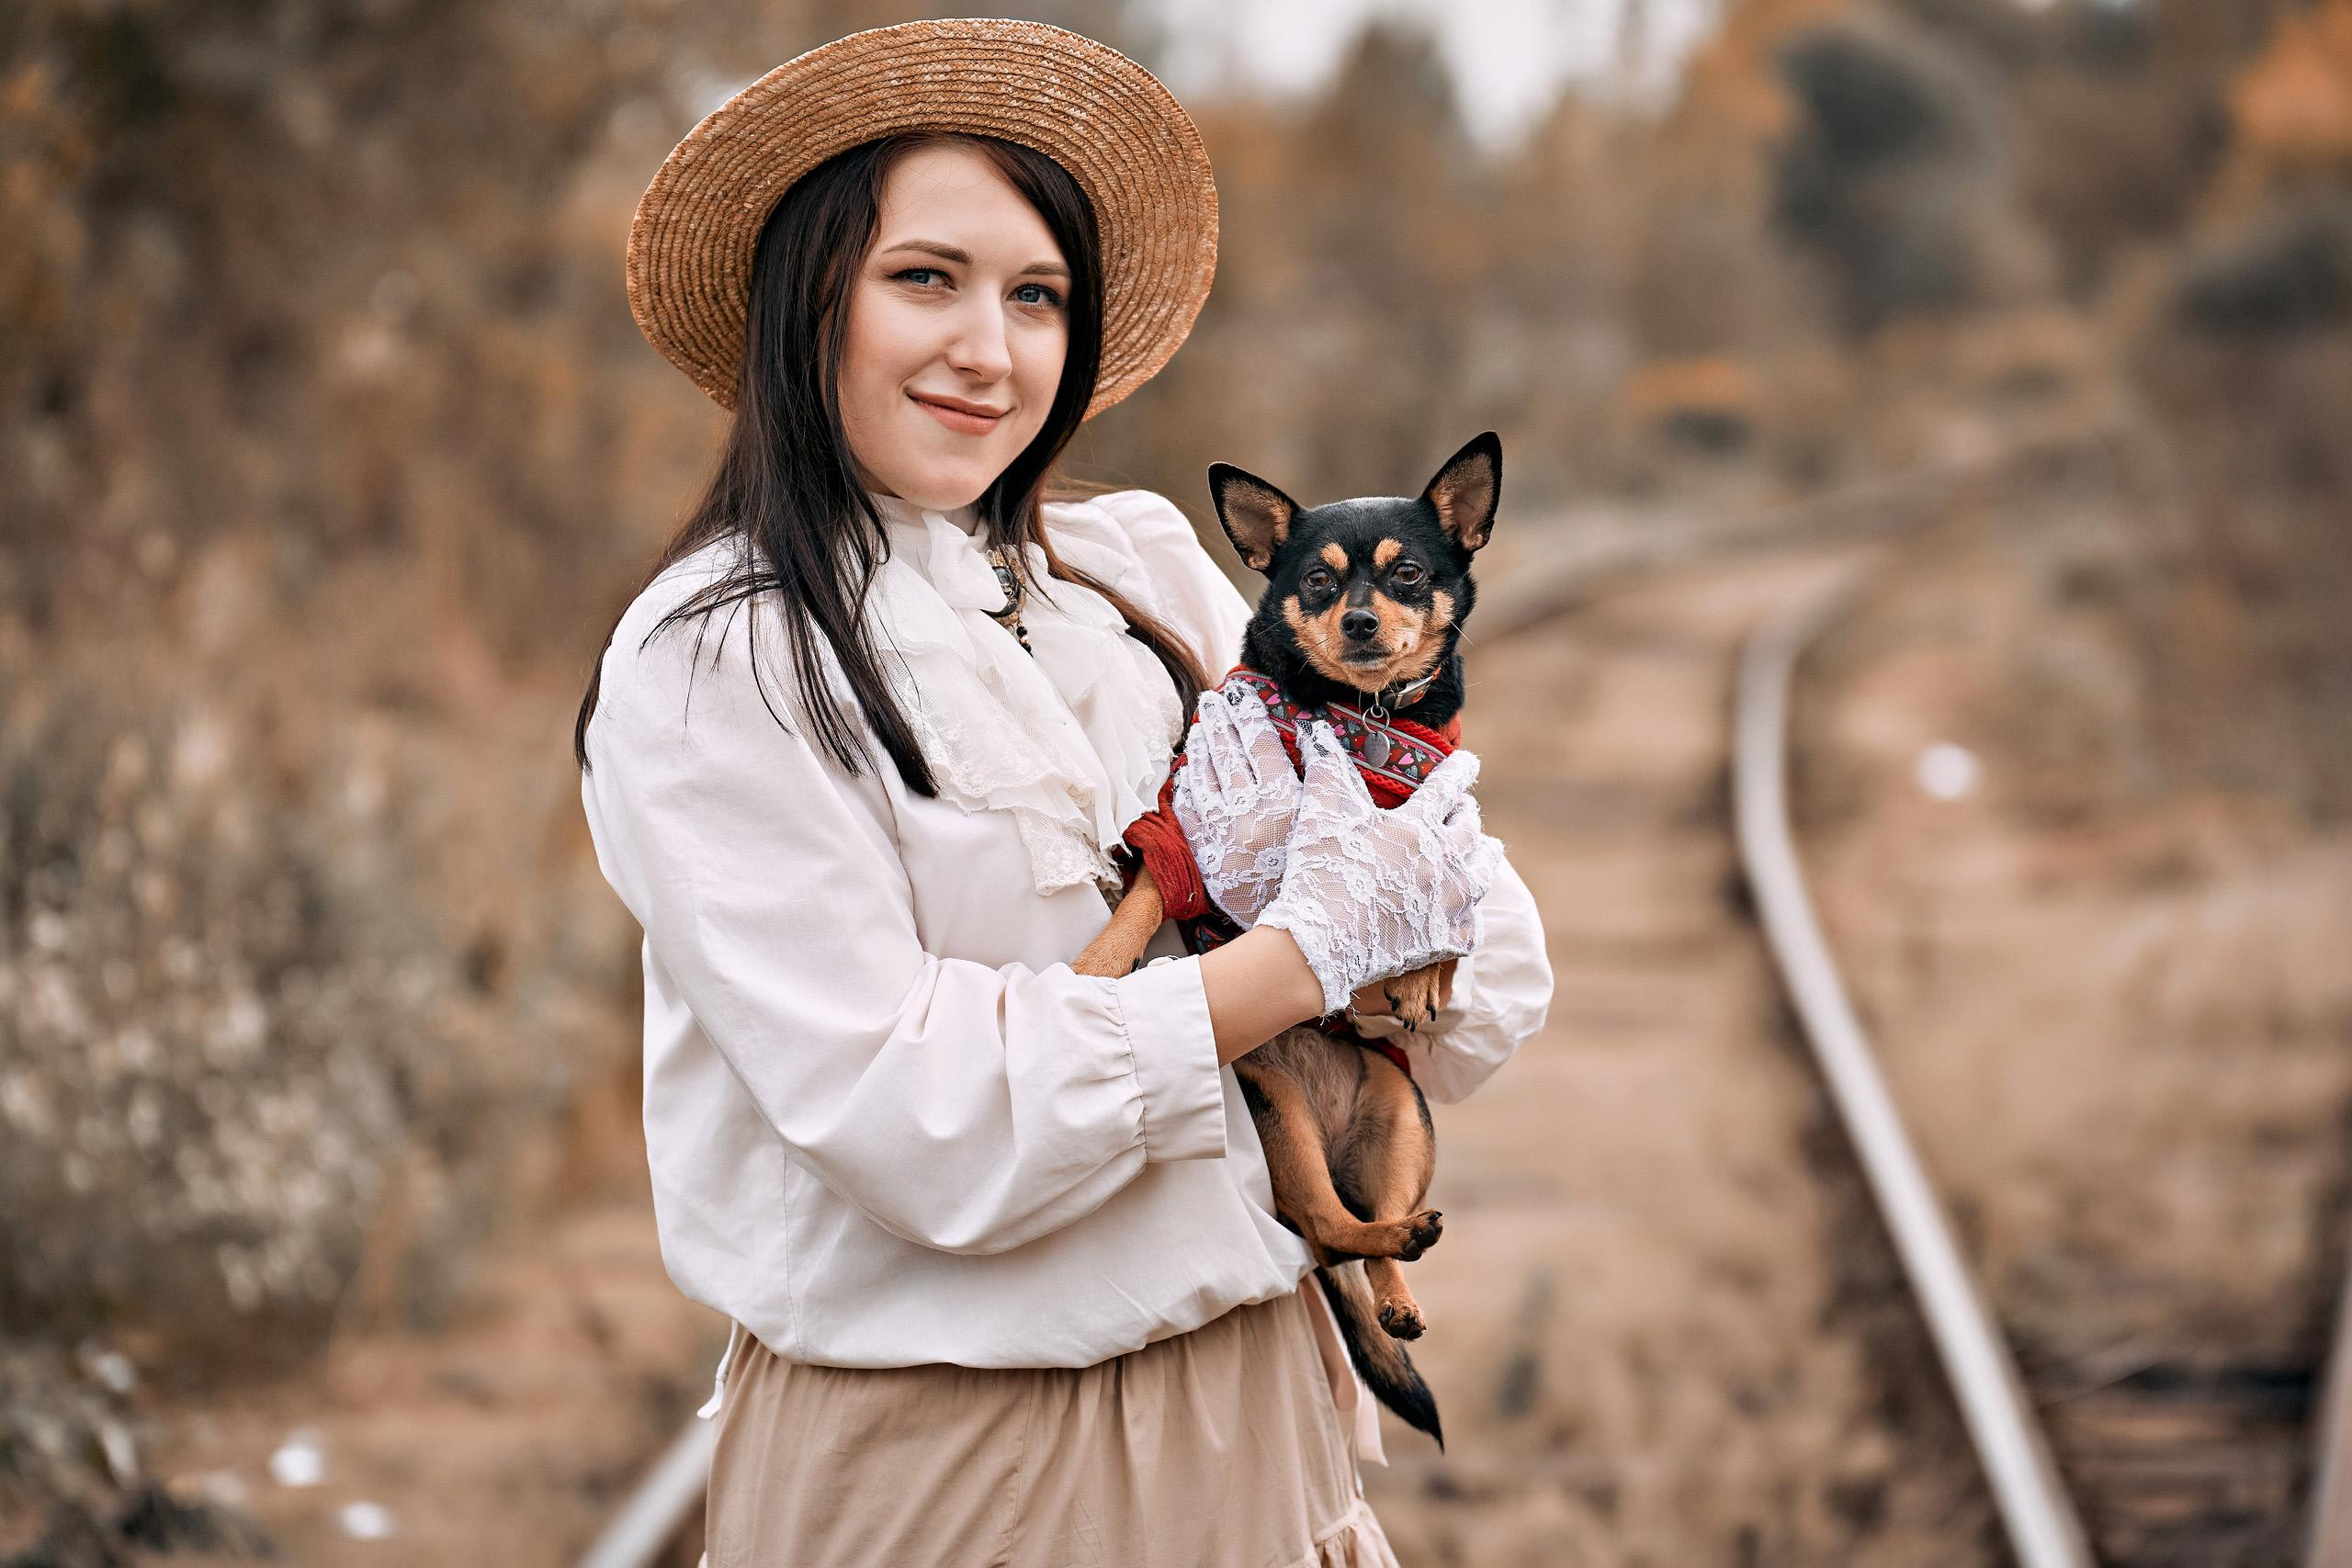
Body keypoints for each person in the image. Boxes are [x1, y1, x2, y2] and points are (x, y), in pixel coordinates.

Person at [574, 19, 1553, 1566]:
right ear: (803, 300)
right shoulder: (726, 661)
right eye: (925, 279)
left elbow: (1477, 979)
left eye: (1037, 295)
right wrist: (1288, 965)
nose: (992, 347)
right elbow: (912, 1118)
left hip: (1266, 1430)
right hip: (956, 1465)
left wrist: (1386, 936)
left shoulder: (1135, 572)